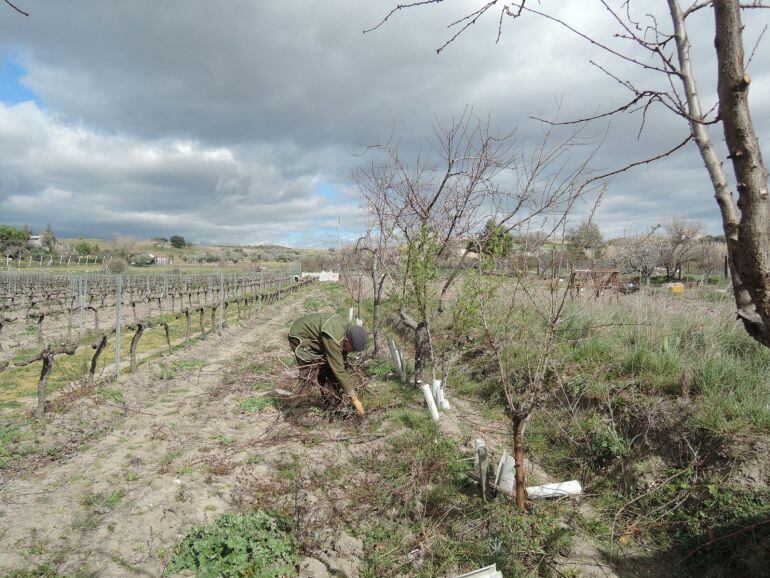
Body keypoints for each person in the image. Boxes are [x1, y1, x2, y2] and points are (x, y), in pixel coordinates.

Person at [287, 312, 367, 416]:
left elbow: (339, 365)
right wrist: (353, 397)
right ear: (347, 340)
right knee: (307, 376)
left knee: (329, 371)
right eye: (352, 349)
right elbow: (339, 370)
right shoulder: (333, 338)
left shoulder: (348, 331)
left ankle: (332, 406)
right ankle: (299, 413)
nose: (351, 352)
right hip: (300, 335)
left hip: (318, 337)